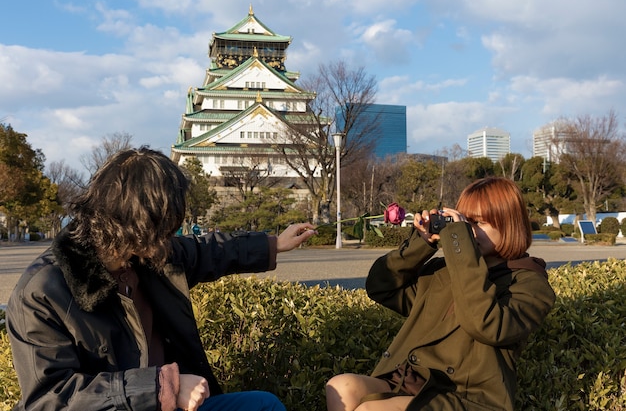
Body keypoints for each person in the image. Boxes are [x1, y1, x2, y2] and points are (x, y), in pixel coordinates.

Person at [6, 146, 317, 411]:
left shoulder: (146, 255)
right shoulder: (42, 292)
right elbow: (50, 399)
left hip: (174, 401)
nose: (170, 236)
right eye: (164, 226)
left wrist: (274, 244)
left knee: (264, 405)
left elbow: (207, 251)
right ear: (133, 225)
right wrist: (159, 388)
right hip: (144, 401)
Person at [326, 177, 556, 411]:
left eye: (478, 223)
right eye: (465, 222)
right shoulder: (445, 270)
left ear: (509, 224)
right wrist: (422, 243)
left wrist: (460, 243)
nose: (470, 232)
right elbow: (382, 287)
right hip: (415, 381)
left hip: (467, 396)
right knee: (342, 386)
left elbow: (486, 325)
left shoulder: (530, 284)